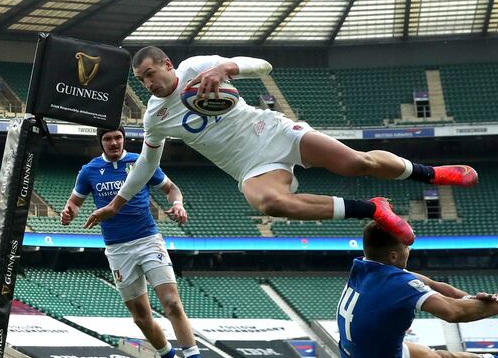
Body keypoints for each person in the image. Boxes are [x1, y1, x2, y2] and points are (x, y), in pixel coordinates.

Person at [86, 47, 478, 245]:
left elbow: (263, 66)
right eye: (141, 80)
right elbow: (146, 165)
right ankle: (373, 208)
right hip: (249, 166)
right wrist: (117, 203)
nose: (148, 84)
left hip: (271, 131)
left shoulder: (196, 67)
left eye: (151, 74)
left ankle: (432, 174)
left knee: (356, 163)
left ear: (167, 65)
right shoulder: (155, 117)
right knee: (268, 203)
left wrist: (226, 68)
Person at [61, 127, 213, 358]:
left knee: (172, 303)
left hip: (148, 240)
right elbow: (74, 203)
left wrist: (177, 204)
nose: (113, 142)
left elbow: (171, 189)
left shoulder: (141, 163)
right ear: (101, 143)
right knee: (141, 318)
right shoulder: (89, 171)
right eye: (107, 139)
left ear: (124, 139)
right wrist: (68, 212)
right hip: (117, 249)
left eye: (117, 137)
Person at [337, 221, 498, 358]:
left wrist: (472, 298)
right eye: (406, 246)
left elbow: (435, 285)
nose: (409, 250)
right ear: (393, 256)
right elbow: (454, 312)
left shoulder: (363, 266)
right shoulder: (398, 283)